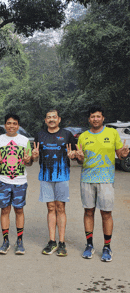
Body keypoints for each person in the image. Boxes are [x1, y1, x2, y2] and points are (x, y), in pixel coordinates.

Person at [76, 105, 129, 262]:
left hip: (106, 180)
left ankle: (107, 247)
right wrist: (78, 158)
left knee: (106, 213)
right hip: (87, 179)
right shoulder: (83, 136)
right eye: (92, 116)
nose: (95, 119)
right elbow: (81, 160)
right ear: (89, 118)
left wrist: (124, 154)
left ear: (103, 118)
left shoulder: (112, 133)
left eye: (98, 116)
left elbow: (120, 154)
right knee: (88, 212)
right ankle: (89, 245)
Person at [32, 109, 76, 256]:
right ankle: (52, 242)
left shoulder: (67, 135)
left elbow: (74, 154)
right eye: (49, 117)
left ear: (59, 119)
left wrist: (73, 155)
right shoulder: (40, 135)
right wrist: (34, 156)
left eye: (54, 117)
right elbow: (35, 157)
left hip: (62, 176)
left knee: (60, 208)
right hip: (45, 176)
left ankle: (62, 243)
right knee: (51, 208)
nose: (51, 119)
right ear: (45, 120)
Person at [0, 114, 32, 255]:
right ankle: (5, 241)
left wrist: (29, 160)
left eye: (14, 123)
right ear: (5, 125)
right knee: (4, 210)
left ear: (18, 126)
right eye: (9, 123)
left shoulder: (24, 140)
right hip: (3, 181)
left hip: (20, 181)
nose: (11, 126)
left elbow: (30, 162)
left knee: (19, 210)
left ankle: (19, 241)